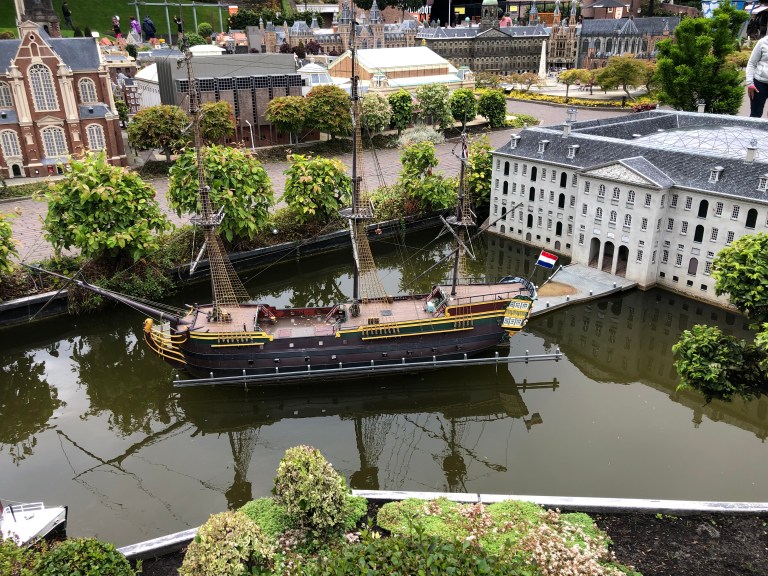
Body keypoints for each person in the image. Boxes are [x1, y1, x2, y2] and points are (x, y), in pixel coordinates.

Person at [746, 33, 768, 118]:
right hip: (760, 85)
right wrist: (750, 83)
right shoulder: (763, 42)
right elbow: (751, 63)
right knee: (755, 115)